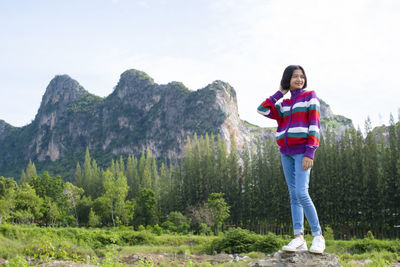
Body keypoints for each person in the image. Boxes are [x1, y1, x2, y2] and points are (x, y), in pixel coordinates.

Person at [257, 65, 325, 254]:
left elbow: (314, 124)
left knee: (302, 193)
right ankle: (299, 238)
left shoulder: (310, 96)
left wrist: (310, 152)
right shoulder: (284, 104)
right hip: (285, 152)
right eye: (295, 76)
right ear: (288, 79)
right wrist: (280, 92)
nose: (299, 79)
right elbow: (262, 109)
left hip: (302, 151)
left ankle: (318, 236)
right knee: (293, 195)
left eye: (301, 76)